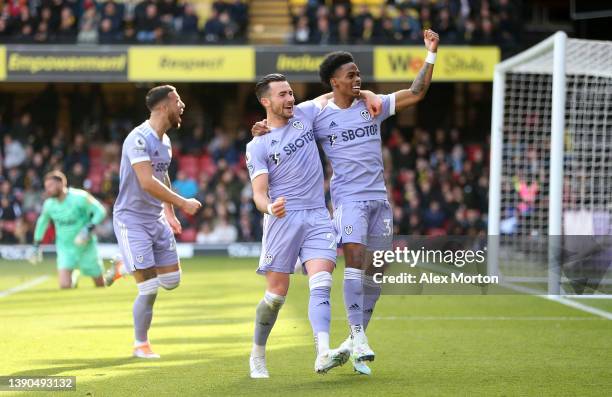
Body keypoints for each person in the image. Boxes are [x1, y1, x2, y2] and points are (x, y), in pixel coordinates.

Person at [253, 30, 440, 375]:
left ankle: (355, 343)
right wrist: (262, 127)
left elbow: (416, 92)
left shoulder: (374, 105)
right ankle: (357, 336)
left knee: (377, 273)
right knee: (354, 261)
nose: (358, 79)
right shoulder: (314, 112)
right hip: (347, 199)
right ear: (333, 81)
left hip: (379, 199)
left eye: (359, 74)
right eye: (351, 75)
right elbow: (280, 117)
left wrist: (430, 55)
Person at [246, 74, 351, 378]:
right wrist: (270, 206)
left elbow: (337, 93)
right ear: (266, 102)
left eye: (291, 92)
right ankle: (257, 353)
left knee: (322, 283)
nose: (290, 98)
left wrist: (368, 95)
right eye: (282, 95)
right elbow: (258, 194)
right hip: (283, 220)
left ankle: (322, 353)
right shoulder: (258, 144)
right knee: (276, 296)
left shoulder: (306, 112)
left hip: (318, 215)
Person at [112, 85, 202, 359]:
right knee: (149, 288)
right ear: (163, 106)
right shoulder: (138, 139)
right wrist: (182, 202)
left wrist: (170, 213)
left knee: (171, 281)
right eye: (178, 100)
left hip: (156, 219)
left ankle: (124, 264)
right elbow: (146, 182)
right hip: (132, 220)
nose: (182, 105)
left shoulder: (164, 142)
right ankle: (141, 344)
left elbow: (161, 176)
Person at [32, 171, 107, 289]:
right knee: (64, 285)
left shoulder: (80, 197)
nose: (48, 190)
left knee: (100, 284)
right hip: (65, 248)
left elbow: (100, 211)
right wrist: (36, 245)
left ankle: (80, 275)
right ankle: (74, 278)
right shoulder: (49, 204)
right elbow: (42, 223)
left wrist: (89, 227)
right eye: (46, 187)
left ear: (61, 183)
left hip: (85, 247)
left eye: (51, 186)